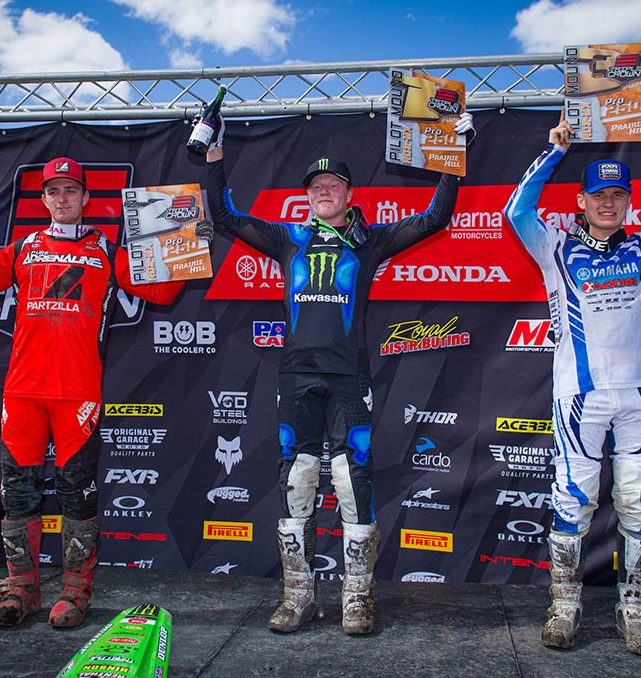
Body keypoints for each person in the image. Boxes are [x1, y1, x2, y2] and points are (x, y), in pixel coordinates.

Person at [202, 113, 475, 635]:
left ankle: (357, 599)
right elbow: (226, 215)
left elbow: (436, 217)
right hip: (296, 377)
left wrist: (454, 156)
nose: (323, 191)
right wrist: (214, 157)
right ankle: (297, 595)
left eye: (333, 185)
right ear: (307, 196)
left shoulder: (368, 242)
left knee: (354, 482)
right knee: (298, 481)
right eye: (315, 186)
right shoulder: (288, 240)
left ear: (349, 194)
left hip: (349, 378)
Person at [503, 107, 641, 654]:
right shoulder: (554, 246)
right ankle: (564, 607)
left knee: (640, 499)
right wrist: (555, 150)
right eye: (598, 195)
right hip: (580, 396)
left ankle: (634, 611)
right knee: (573, 499)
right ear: (581, 201)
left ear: (628, 202)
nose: (607, 202)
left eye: (617, 195)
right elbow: (516, 209)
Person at [0, 157, 204, 629]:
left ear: (86, 197)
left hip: (78, 392)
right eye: (54, 191)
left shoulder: (106, 249)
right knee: (19, 495)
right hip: (23, 390)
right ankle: (21, 591)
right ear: (43, 198)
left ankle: (75, 593)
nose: (63, 198)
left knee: (76, 496)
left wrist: (185, 248)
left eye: (71, 189)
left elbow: (163, 294)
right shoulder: (23, 247)